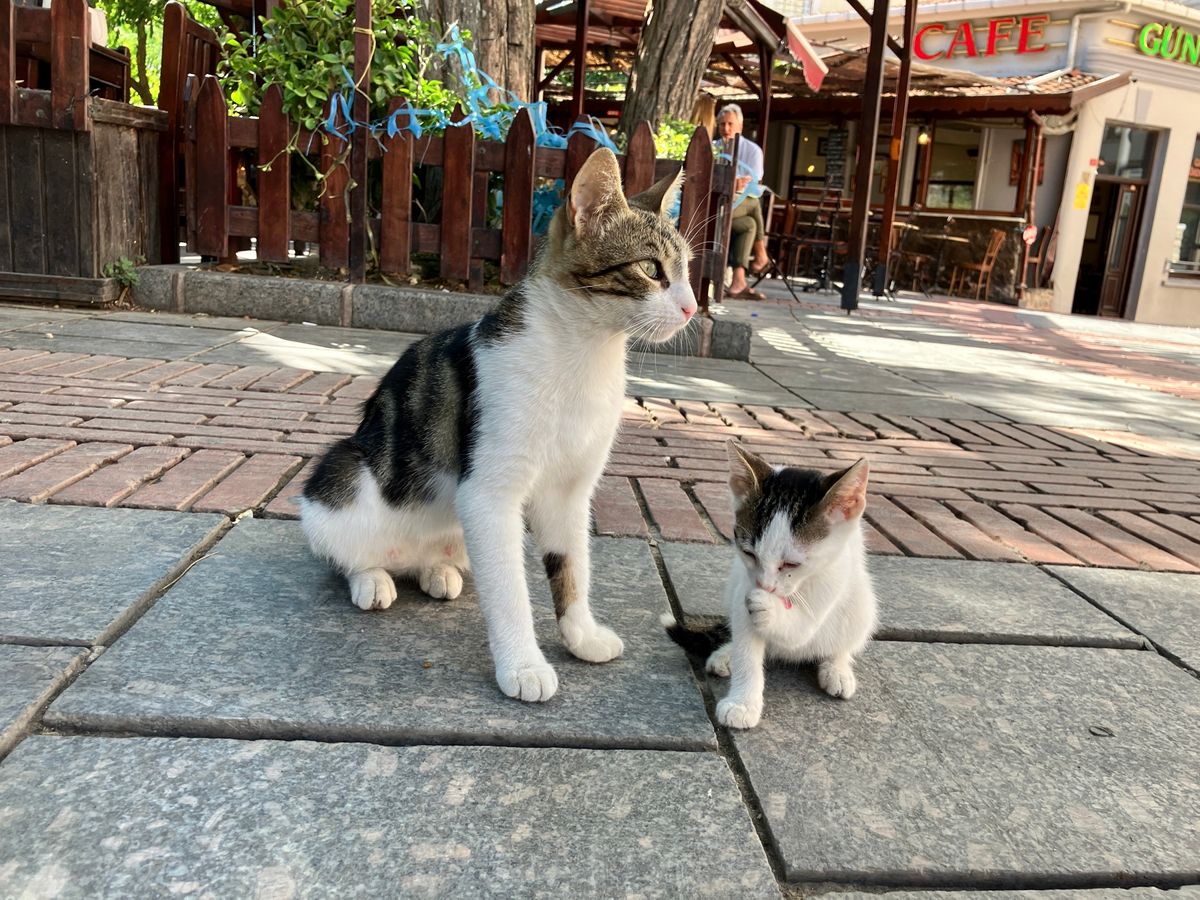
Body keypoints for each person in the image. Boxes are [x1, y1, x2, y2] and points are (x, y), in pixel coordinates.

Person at [715, 103, 771, 299]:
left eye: (730, 123)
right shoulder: (715, 148)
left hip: (739, 204)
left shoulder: (753, 150)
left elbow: (752, 185)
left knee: (749, 222)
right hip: (717, 207)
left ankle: (738, 282)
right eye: (722, 124)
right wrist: (733, 183)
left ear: (740, 125)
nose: (726, 129)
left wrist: (737, 184)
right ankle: (761, 252)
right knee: (753, 211)